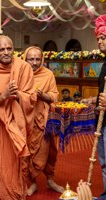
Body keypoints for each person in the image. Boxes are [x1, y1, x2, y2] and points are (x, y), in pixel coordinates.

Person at [0, 35, 35, 199]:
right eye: (1, 49)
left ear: (14, 49)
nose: (6, 52)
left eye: (9, 48)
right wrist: (3, 96)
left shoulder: (23, 67)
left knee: (12, 168)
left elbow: (31, 98)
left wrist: (16, 96)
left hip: (14, 126)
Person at [23, 46, 64, 195]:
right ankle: (32, 181)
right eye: (30, 59)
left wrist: (43, 95)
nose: (34, 62)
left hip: (46, 120)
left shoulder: (48, 74)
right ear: (25, 59)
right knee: (28, 152)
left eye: (37, 59)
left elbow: (54, 96)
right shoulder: (20, 74)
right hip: (26, 120)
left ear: (42, 60)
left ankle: (50, 180)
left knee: (49, 151)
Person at [94, 14, 106, 200]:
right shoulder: (104, 63)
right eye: (98, 39)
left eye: (103, 37)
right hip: (103, 122)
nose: (100, 41)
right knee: (104, 164)